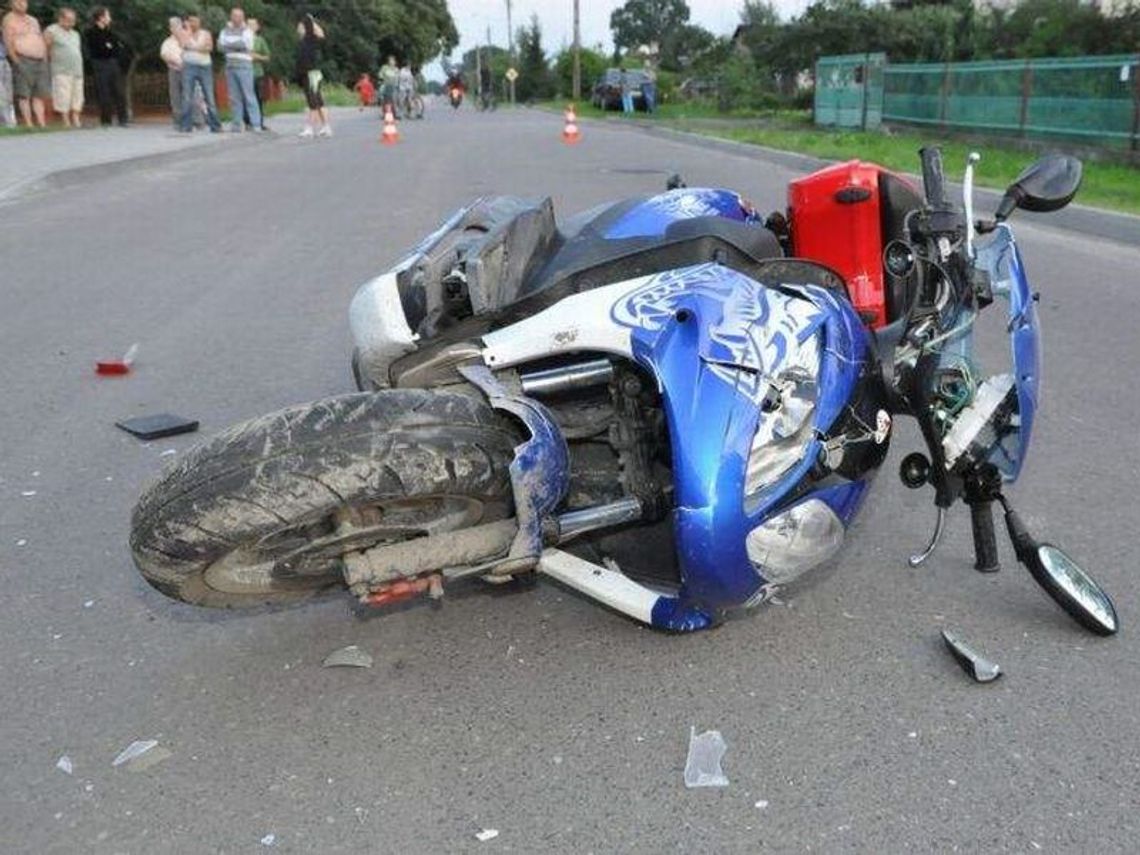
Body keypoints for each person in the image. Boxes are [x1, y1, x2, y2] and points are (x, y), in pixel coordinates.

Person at [2, 0, 49, 128]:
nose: (22, 4)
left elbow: (39, 37)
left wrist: (44, 57)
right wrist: (16, 60)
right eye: (18, 2)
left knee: (39, 94)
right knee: (24, 94)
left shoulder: (33, 20)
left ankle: (41, 123)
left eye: (24, 2)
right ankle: (29, 123)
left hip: (39, 60)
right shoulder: (8, 20)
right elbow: (8, 42)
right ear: (12, 4)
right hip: (23, 59)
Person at [174, 14, 220, 133]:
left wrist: (193, 47)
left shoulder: (206, 33)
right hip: (189, 66)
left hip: (205, 66)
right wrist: (190, 34)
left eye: (196, 21)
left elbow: (209, 48)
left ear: (200, 22)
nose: (194, 23)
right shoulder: (183, 33)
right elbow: (183, 45)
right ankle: (185, 126)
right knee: (187, 96)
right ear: (188, 22)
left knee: (209, 95)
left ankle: (215, 125)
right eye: (192, 21)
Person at [217, 7, 260, 132]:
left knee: (248, 95)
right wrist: (235, 45)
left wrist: (228, 45)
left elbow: (247, 45)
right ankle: (236, 124)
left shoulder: (247, 30)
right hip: (230, 65)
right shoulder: (224, 30)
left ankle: (255, 124)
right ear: (231, 16)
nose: (237, 18)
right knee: (234, 97)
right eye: (234, 15)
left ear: (243, 17)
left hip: (244, 65)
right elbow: (220, 46)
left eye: (239, 16)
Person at [85, 6, 128, 126]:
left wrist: (110, 47)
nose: (110, 18)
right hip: (100, 64)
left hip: (113, 63)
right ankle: (106, 120)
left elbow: (117, 48)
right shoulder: (91, 32)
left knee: (119, 91)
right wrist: (109, 47)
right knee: (104, 92)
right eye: (107, 15)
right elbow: (99, 49)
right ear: (101, 17)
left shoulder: (110, 32)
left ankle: (123, 119)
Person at [43, 7, 82, 127]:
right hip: (61, 69)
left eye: (73, 20)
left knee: (77, 95)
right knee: (63, 95)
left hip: (77, 69)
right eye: (69, 20)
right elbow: (46, 49)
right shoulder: (51, 30)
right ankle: (66, 120)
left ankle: (76, 118)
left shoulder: (75, 34)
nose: (72, 23)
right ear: (60, 18)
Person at [294, 14, 328, 138]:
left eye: (300, 26)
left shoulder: (310, 38)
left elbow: (321, 34)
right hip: (306, 73)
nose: (297, 28)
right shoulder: (302, 42)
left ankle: (309, 128)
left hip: (312, 73)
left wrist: (311, 20)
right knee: (317, 101)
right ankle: (326, 127)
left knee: (312, 101)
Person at [248, 17, 269, 130]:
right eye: (248, 25)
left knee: (258, 98)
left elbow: (267, 57)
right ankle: (247, 122)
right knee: (246, 97)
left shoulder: (260, 40)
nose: (250, 27)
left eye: (252, 25)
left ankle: (259, 122)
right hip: (245, 72)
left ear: (257, 27)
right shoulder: (243, 39)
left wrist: (257, 56)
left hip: (257, 73)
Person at [0, 38, 13, 125]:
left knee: (8, 93)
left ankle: (8, 120)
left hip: (4, 59)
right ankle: (6, 121)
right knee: (1, 93)